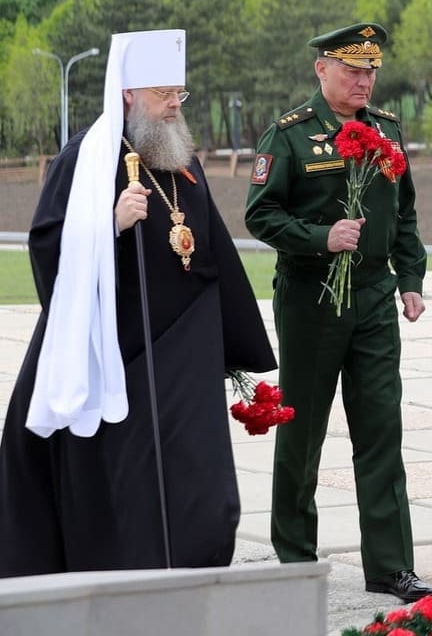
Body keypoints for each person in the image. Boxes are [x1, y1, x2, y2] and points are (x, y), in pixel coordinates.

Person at [0, 29, 277, 577]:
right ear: (128, 93)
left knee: (202, 487)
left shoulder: (175, 157)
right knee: (128, 486)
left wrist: (231, 340)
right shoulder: (86, 158)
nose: (175, 104)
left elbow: (209, 247)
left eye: (180, 92)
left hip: (184, 353)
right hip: (119, 354)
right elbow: (47, 247)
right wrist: (111, 225)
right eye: (163, 93)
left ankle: (192, 568)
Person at [244, 23, 432, 602]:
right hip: (312, 297)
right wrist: (321, 237)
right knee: (301, 431)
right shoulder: (291, 136)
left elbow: (403, 213)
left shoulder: (386, 130)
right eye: (352, 69)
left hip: (375, 297)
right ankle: (296, 558)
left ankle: (390, 566)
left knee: (381, 428)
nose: (363, 79)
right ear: (321, 69)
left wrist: (411, 278)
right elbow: (261, 215)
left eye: (371, 70)